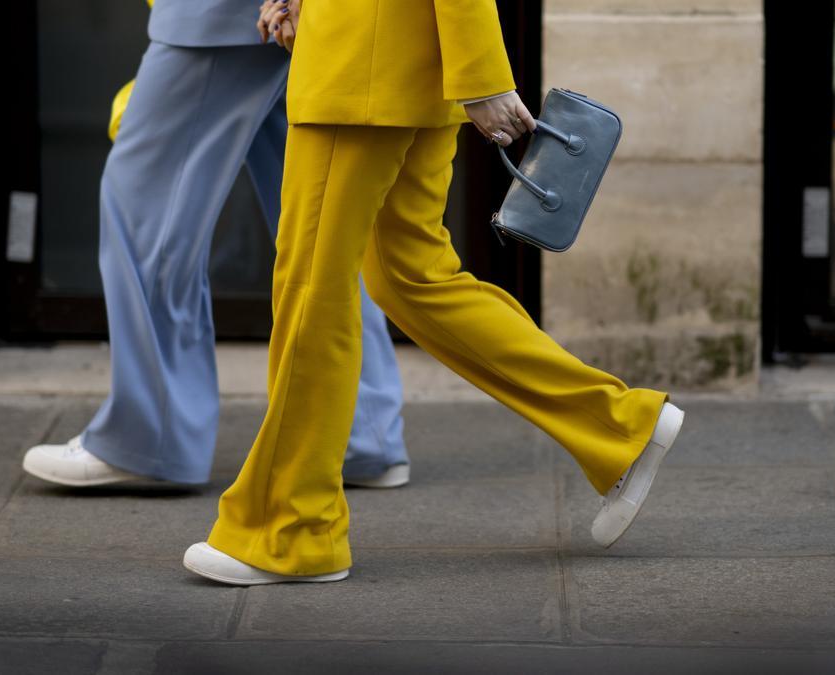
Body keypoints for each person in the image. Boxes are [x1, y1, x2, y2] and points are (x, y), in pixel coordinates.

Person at [182, 0, 685, 585]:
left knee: (313, 291)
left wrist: (484, 74)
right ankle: (617, 422)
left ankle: (291, 528)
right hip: (399, 64)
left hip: (360, 66)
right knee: (412, 278)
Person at [21, 0, 411, 490]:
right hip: (297, 15)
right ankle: (361, 430)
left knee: (145, 204)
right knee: (320, 227)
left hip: (229, 13)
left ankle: (151, 439)